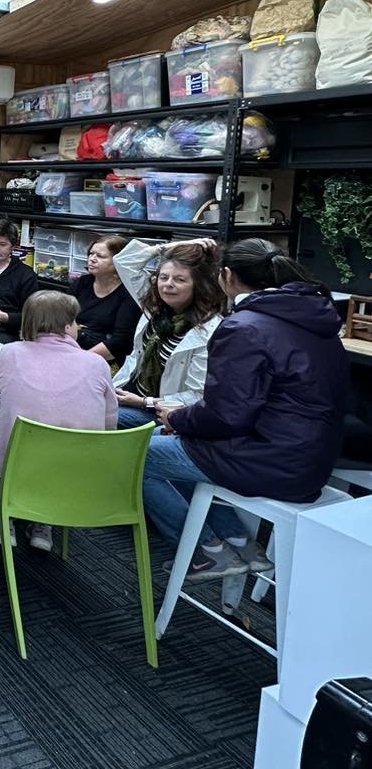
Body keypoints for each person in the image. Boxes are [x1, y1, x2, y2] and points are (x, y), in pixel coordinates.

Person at [143, 239, 352, 580]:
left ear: (226, 276)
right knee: (166, 444)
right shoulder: (315, 318)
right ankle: (240, 542)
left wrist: (177, 417)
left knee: (137, 454)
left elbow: (227, 415)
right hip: (309, 459)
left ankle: (205, 552)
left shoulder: (245, 326)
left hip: (268, 460)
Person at [0, 291, 118, 551]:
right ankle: (43, 524)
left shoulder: (9, 352)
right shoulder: (97, 363)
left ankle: (3, 520)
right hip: (78, 464)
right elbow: (109, 421)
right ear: (68, 326)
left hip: (18, 458)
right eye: (77, 321)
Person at [112, 238, 225, 428]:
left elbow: (196, 395)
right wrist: (168, 248)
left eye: (179, 279)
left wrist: (143, 401)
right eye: (163, 277)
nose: (168, 285)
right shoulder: (155, 304)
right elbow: (125, 260)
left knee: (94, 417)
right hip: (127, 391)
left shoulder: (209, 329)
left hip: (159, 412)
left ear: (199, 285)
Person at [72, 235, 140, 367]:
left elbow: (121, 341)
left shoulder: (129, 293)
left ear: (119, 261)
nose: (92, 259)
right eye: (91, 253)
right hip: (74, 348)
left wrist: (80, 360)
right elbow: (61, 318)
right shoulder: (82, 283)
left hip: (105, 359)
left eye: (100, 256)